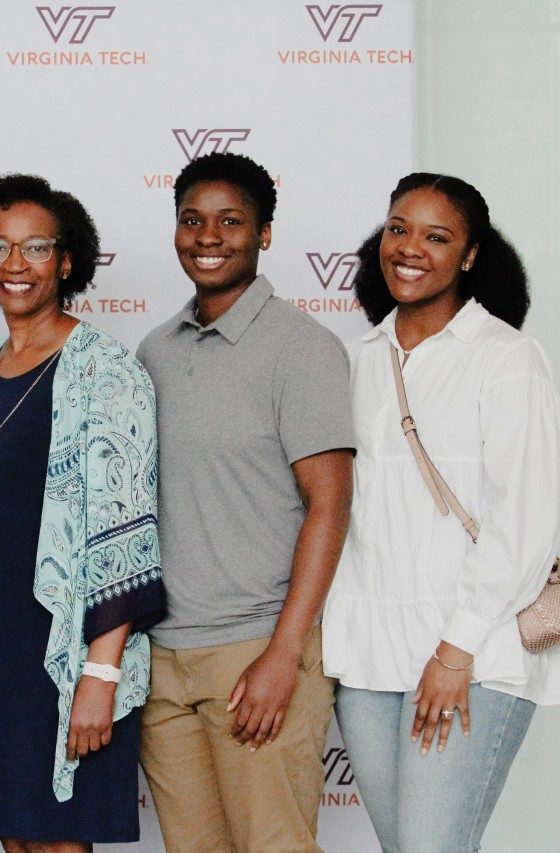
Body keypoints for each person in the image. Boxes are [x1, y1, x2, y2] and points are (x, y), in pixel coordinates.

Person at [322, 173, 560, 852]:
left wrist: (457, 648)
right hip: (368, 657)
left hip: (473, 651)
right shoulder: (355, 360)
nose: (410, 248)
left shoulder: (507, 360)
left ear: (470, 255)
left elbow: (528, 519)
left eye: (436, 235)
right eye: (399, 229)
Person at [0, 174, 167, 851]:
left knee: (61, 839)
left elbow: (126, 531)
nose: (15, 264)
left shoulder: (106, 368)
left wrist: (99, 674)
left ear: (67, 259)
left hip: (62, 651)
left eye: (35, 246)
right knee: (16, 837)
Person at [135, 152, 355, 852]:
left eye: (231, 221)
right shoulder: (154, 350)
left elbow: (329, 505)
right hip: (164, 660)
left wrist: (283, 654)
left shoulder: (303, 347)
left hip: (257, 648)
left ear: (264, 234)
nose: (209, 236)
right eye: (192, 220)